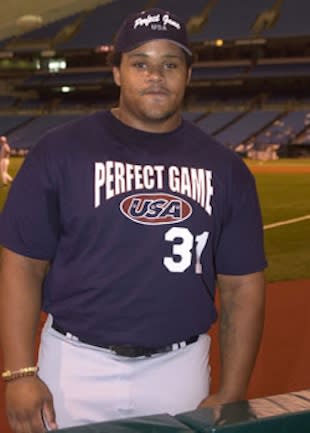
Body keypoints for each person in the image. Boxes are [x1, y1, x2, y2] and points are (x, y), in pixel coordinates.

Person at [0, 8, 266, 433]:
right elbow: (21, 264)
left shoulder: (226, 170)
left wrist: (233, 389)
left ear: (188, 75)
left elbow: (242, 286)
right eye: (140, 63)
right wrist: (18, 373)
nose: (155, 76)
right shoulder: (60, 152)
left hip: (179, 369)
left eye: (170, 64)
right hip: (73, 364)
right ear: (118, 72)